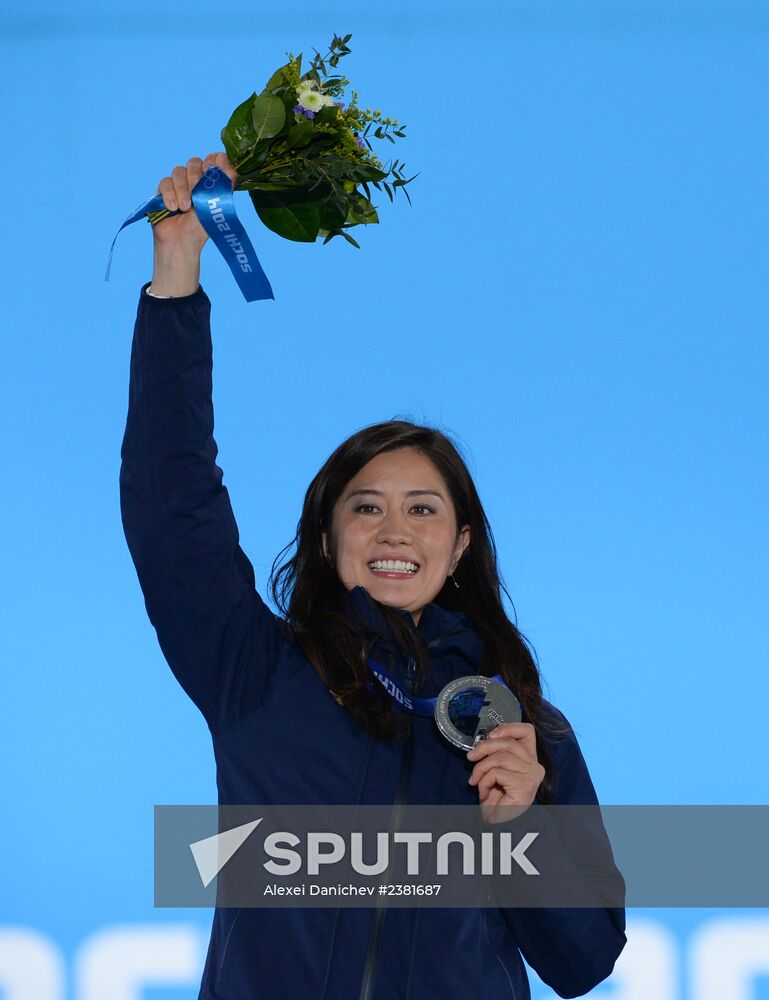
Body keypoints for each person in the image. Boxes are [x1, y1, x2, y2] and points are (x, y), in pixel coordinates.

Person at [120, 152, 627, 1000]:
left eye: (423, 510)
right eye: (365, 508)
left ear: (461, 544)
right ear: (326, 538)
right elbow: (173, 506)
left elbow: (582, 964)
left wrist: (516, 828)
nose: (395, 531)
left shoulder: (525, 731)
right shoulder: (257, 672)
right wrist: (176, 275)